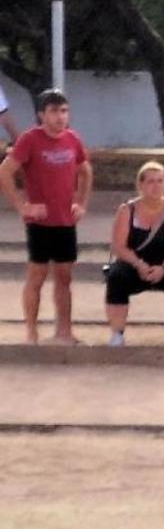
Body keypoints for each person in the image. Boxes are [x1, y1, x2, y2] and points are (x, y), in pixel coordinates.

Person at [0, 88, 92, 345]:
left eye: (63, 111)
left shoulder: (72, 139)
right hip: (40, 222)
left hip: (65, 221)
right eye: (53, 111)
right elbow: (5, 172)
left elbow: (85, 171)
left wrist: (81, 203)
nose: (59, 117)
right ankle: (31, 332)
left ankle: (64, 330)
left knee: (64, 277)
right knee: (37, 276)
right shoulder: (30, 139)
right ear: (41, 114)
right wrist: (22, 206)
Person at [103, 160, 164, 347]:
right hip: (134, 263)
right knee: (116, 277)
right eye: (151, 181)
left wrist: (163, 267)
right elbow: (119, 246)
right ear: (141, 184)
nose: (156, 186)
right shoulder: (127, 210)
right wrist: (138, 264)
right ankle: (117, 333)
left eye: (160, 181)